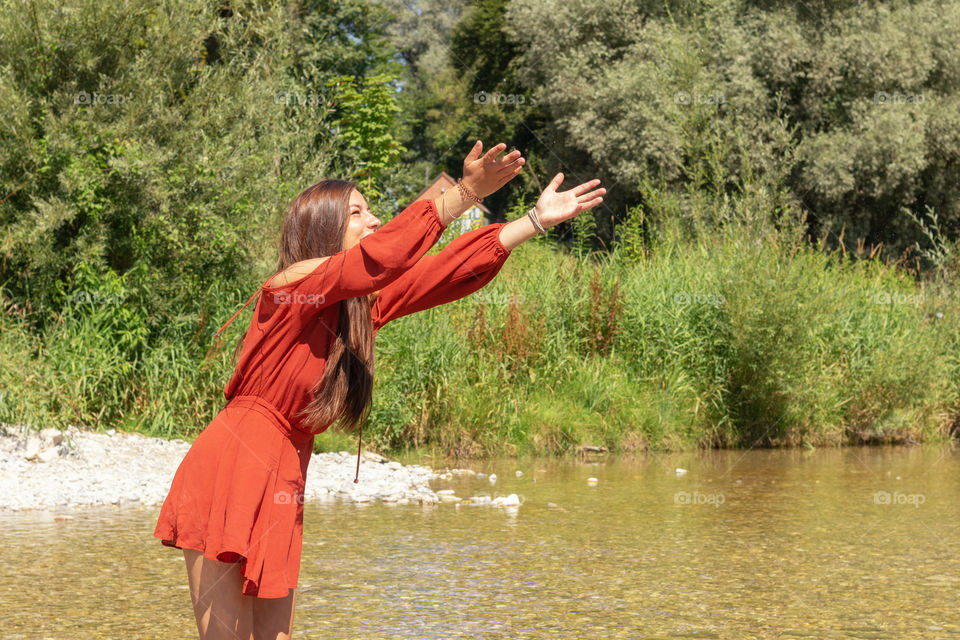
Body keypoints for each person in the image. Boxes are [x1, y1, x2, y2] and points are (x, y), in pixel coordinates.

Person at [153, 140, 605, 640]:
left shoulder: (357, 311)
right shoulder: (289, 287)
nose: (372, 221)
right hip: (233, 462)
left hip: (284, 473)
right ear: (321, 228)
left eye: (372, 212)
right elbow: (381, 255)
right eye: (357, 212)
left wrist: (534, 222)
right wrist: (464, 192)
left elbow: (439, 273)